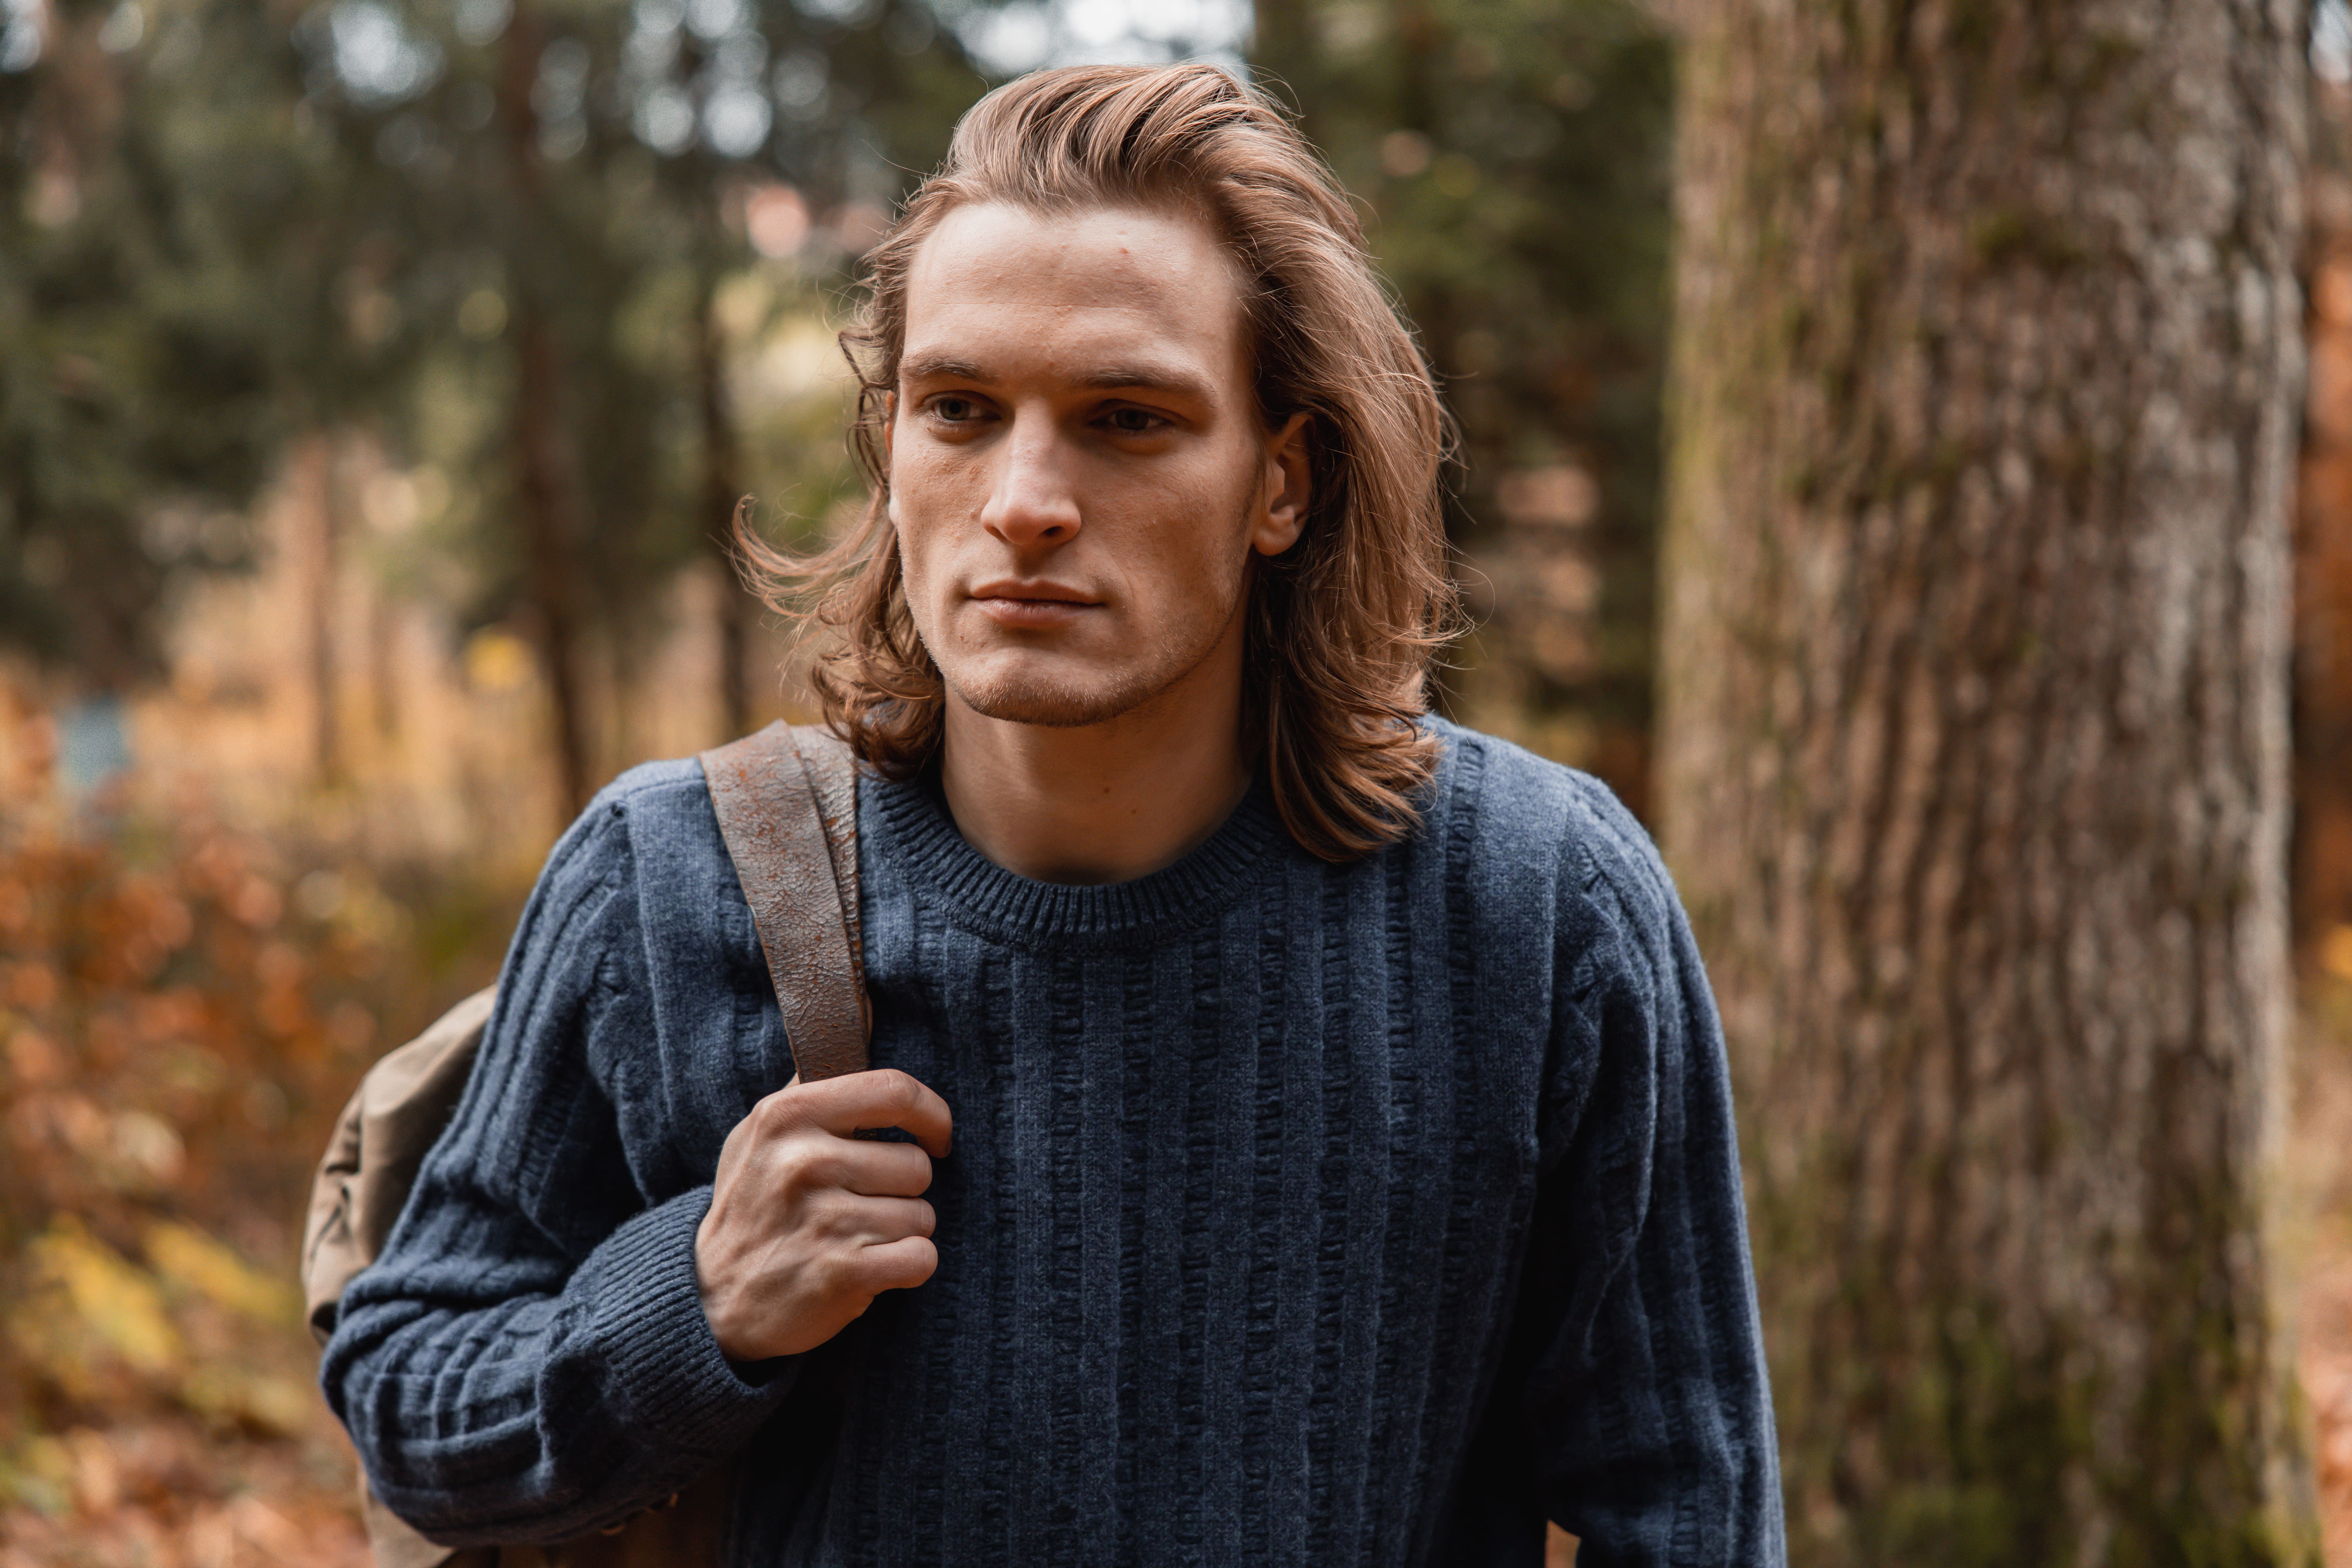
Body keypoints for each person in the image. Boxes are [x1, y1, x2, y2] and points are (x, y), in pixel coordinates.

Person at [322, 63, 1785, 1566]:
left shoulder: (1541, 907)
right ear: (892, 451)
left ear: (1280, 481)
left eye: (1126, 419)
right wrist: (689, 1304)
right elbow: (407, 1389)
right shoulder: (673, 882)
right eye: (960, 408)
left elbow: (1687, 1510)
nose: (1024, 497)